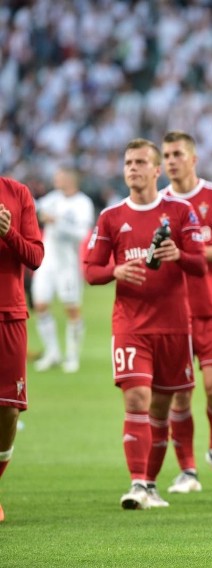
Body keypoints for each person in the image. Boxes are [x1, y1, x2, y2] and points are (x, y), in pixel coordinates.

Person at [84, 138, 207, 510]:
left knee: (161, 409)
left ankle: (150, 484)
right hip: (131, 326)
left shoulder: (181, 211)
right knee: (137, 399)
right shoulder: (111, 216)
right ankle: (137, 483)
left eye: (140, 162)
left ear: (156, 171)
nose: (133, 169)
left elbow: (202, 265)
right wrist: (115, 270)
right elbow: (91, 271)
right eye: (128, 163)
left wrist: (180, 255)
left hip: (173, 326)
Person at [160, 131, 212, 494]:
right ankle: (187, 470)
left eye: (177, 154)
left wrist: (187, 250)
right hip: (173, 312)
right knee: (180, 393)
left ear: (193, 159)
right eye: (166, 155)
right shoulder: (157, 204)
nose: (171, 161)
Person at [0, 176, 45, 522]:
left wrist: (8, 233)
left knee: (8, 412)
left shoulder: (17, 193)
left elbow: (35, 256)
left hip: (8, 315)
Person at [31, 167, 95, 373]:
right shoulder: (53, 198)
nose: (55, 180)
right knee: (40, 305)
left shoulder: (82, 203)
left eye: (59, 177)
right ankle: (53, 353)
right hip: (47, 261)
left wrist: (56, 222)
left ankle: (72, 356)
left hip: (67, 264)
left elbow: (81, 234)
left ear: (70, 179)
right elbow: (35, 208)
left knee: (72, 309)